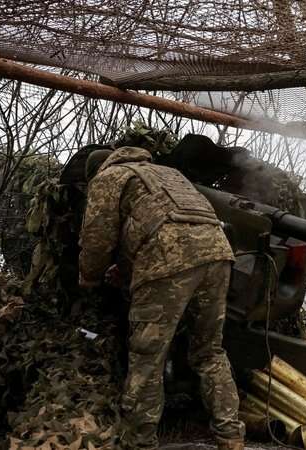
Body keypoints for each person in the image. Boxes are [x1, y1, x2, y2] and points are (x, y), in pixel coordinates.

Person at [78, 146, 245, 450]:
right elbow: (163, 223)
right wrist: (129, 271)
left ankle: (140, 443)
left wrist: (89, 279)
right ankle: (230, 437)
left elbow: (97, 238)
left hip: (168, 260)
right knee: (209, 352)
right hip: (218, 255)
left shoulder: (109, 177)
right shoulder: (169, 174)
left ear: (96, 172)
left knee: (147, 357)